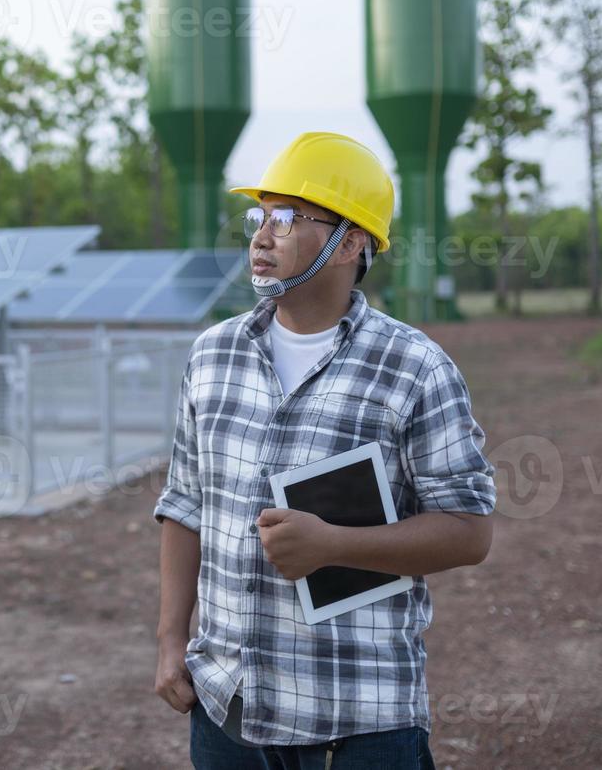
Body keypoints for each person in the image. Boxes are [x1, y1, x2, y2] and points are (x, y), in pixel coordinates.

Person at [152, 131, 496, 769]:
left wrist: (335, 545)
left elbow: (469, 532)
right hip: (227, 709)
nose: (262, 235)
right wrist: (172, 639)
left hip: (357, 721)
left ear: (352, 242)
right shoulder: (213, 354)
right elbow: (184, 505)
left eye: (287, 218)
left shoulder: (414, 368)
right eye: (260, 216)